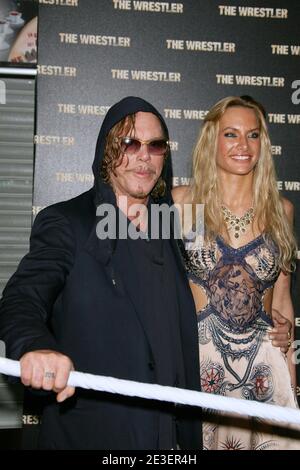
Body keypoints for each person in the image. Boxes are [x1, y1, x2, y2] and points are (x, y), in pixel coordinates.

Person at [0, 96, 201, 450]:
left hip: (171, 441)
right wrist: (35, 345)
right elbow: (21, 297)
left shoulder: (169, 228)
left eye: (155, 145)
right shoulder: (67, 222)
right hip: (98, 435)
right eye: (130, 143)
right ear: (108, 151)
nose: (144, 155)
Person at [172, 96, 299, 450]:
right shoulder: (179, 203)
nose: (243, 145)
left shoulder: (282, 210)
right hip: (199, 366)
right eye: (231, 134)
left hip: (263, 370)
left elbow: (283, 301)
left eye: (253, 135)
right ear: (212, 140)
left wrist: (292, 383)